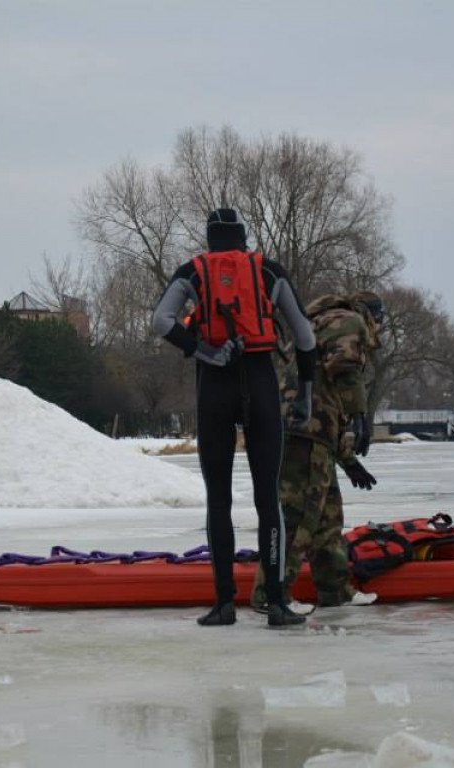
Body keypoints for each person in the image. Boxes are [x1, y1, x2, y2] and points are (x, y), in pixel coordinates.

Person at [151, 208, 317, 628]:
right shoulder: (269, 271)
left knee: (219, 499)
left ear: (210, 239)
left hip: (214, 385)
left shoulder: (194, 271)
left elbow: (161, 320)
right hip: (261, 382)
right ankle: (277, 605)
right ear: (243, 237)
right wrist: (306, 393)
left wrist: (203, 350)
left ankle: (224, 605)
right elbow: (304, 335)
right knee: (268, 498)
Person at [251, 291, 384, 609]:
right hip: (302, 433)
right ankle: (271, 595)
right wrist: (361, 414)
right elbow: (344, 368)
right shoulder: (348, 320)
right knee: (297, 517)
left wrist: (348, 461)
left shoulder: (321, 322)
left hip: (310, 433)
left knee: (327, 518)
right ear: (374, 316)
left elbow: (326, 402)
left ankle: (334, 589)